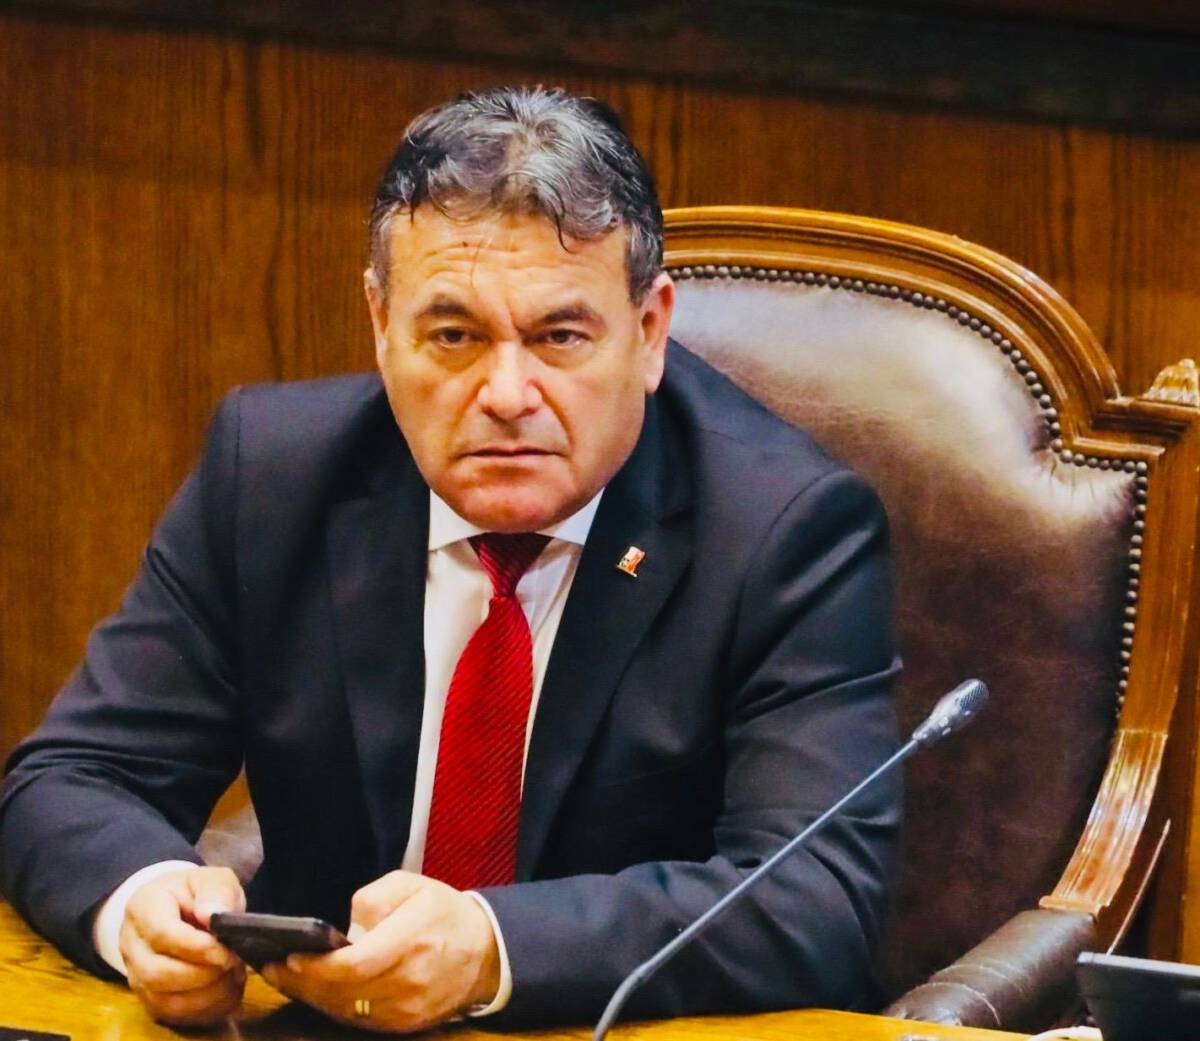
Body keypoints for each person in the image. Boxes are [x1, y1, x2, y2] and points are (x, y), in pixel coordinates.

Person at [0, 86, 901, 1032]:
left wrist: (493, 947)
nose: (507, 393)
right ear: (381, 323)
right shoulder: (271, 477)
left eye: (559, 336)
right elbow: (73, 776)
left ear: (647, 333)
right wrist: (140, 905)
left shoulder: (783, 529)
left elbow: (818, 894)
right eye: (455, 336)